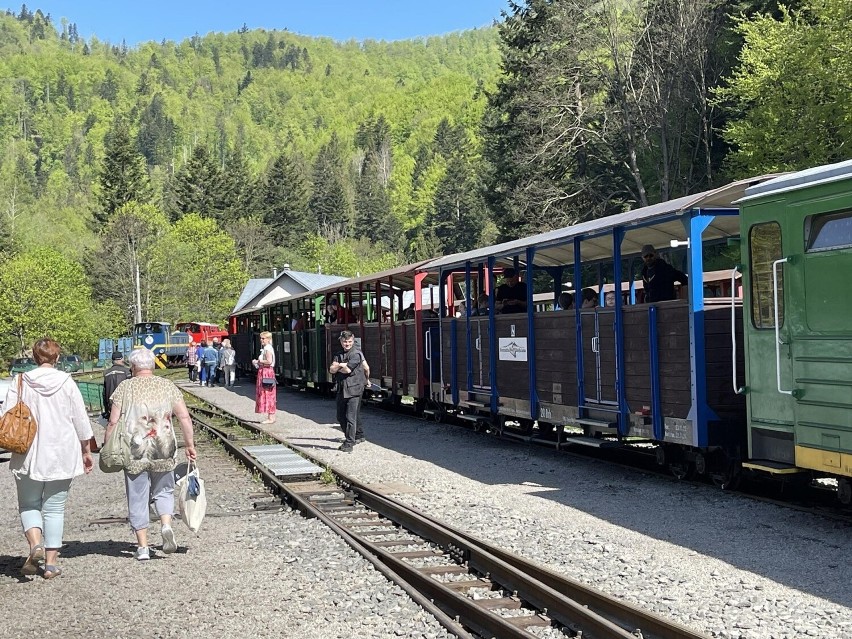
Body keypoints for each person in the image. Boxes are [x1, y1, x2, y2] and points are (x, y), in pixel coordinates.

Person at [1, 337, 94, 579]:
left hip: (28, 453)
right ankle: (50, 565)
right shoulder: (67, 382)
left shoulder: (21, 380)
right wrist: (86, 450)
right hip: (61, 453)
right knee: (54, 509)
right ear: (57, 358)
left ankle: (35, 545)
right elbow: (81, 420)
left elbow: (7, 414)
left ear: (34, 357)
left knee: (29, 504)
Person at [104, 348, 196, 561]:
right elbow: (184, 417)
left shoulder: (125, 387)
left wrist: (108, 443)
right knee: (164, 490)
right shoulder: (167, 386)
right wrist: (189, 444)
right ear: (152, 366)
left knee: (137, 495)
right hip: (164, 447)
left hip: (134, 449)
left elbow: (113, 421)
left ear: (133, 367)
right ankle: (165, 524)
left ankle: (143, 547)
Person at [329, 330, 370, 452]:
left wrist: (339, 366)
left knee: (350, 416)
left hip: (354, 388)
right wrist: (341, 365)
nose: (347, 344)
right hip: (342, 387)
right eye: (345, 341)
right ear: (341, 341)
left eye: (349, 341)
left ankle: (349, 443)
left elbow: (347, 370)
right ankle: (357, 435)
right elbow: (331, 369)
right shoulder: (338, 353)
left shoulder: (356, 354)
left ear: (353, 341)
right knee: (340, 416)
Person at [253, 331, 276, 424]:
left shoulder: (267, 348)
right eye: (261, 338)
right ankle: (270, 416)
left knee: (267, 393)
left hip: (266, 372)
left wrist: (258, 361)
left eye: (263, 338)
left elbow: (269, 361)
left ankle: (271, 417)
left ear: (268, 339)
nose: (261, 340)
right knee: (267, 393)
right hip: (265, 371)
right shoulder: (267, 348)